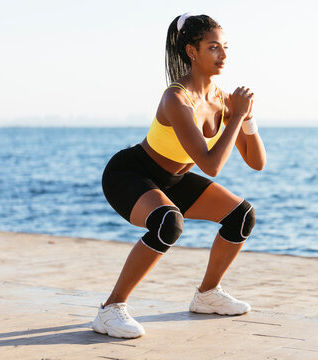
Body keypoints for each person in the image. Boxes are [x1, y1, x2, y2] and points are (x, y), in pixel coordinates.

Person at [92, 13, 267, 339]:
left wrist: (247, 119)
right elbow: (211, 165)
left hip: (175, 178)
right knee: (167, 222)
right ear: (191, 51)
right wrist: (236, 116)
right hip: (131, 173)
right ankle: (110, 309)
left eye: (225, 47)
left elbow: (257, 162)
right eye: (214, 47)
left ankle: (207, 294)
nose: (224, 56)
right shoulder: (176, 98)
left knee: (241, 216)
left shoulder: (223, 101)